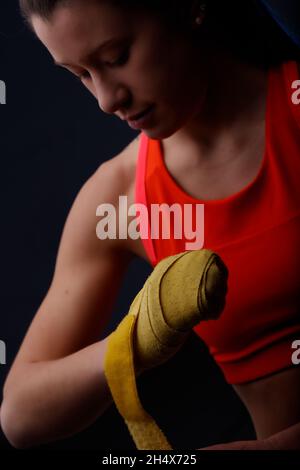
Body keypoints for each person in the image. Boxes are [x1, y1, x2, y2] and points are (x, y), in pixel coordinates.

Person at [1, 0, 300, 450]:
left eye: (117, 57)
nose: (106, 99)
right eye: (80, 74)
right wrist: (142, 335)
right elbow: (21, 415)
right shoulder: (121, 196)